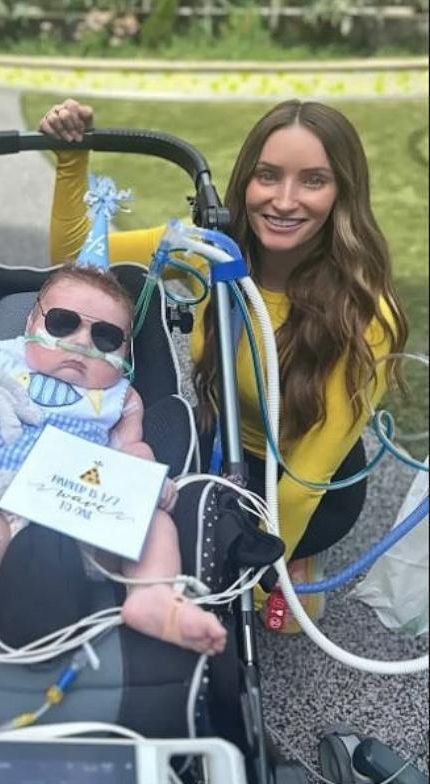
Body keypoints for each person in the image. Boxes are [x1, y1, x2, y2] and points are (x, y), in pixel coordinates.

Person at [39, 98, 408, 632]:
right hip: (220, 446)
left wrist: (248, 574)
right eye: (268, 176)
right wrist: (72, 160)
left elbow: (303, 485)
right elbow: (77, 255)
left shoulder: (368, 315)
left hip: (309, 483)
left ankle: (295, 561)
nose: (284, 200)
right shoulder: (208, 254)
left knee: (219, 587)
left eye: (313, 181)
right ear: (244, 182)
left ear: (342, 194)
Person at [0, 263, 227, 723]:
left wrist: (144, 476)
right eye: (62, 323)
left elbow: (133, 446)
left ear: (125, 352)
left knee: (155, 523)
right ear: (32, 324)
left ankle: (152, 595)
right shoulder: (2, 365)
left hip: (85, 516)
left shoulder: (121, 397)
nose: (80, 343)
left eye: (106, 338)